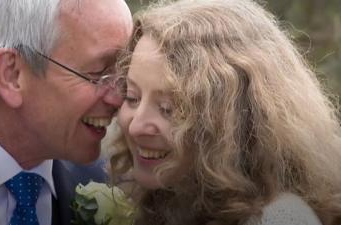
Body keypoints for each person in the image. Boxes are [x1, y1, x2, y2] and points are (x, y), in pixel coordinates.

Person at [109, 0, 341, 225]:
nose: (136, 125)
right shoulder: (168, 197)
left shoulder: (279, 218)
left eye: (170, 109)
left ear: (235, 120)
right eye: (132, 97)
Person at [0, 0, 132, 224]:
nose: (118, 98)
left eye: (125, 71)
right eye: (99, 73)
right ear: (11, 74)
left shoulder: (111, 185)